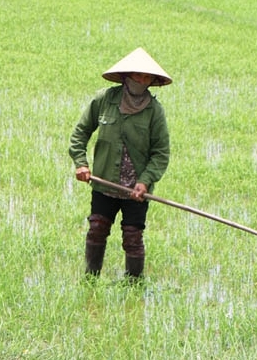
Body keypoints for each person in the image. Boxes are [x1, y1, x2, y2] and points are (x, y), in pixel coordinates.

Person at [69, 47, 172, 282]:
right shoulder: (104, 100)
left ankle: (134, 283)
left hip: (135, 191)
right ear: (127, 76)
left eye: (147, 78)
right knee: (97, 229)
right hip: (104, 183)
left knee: (132, 236)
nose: (142, 81)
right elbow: (80, 134)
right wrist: (81, 164)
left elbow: (161, 153)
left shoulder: (154, 112)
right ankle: (91, 277)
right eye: (138, 76)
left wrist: (144, 182)